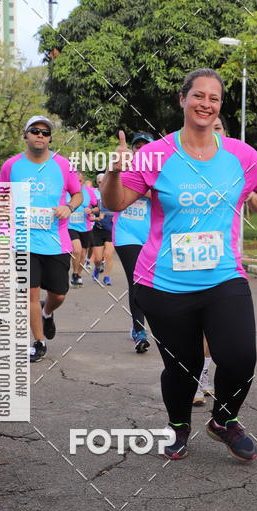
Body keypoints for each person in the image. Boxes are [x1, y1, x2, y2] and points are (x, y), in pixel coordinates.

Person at [102, 68, 257, 462]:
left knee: (241, 357)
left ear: (219, 106)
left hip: (223, 276)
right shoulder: (156, 154)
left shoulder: (239, 154)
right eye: (198, 96)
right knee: (184, 366)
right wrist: (112, 171)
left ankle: (224, 420)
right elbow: (116, 203)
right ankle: (179, 428)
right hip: (163, 283)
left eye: (213, 98)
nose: (205, 104)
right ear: (183, 100)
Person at [193, 115, 257, 405]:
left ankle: (204, 376)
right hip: (187, 257)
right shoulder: (189, 164)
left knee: (221, 331)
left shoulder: (238, 164)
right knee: (193, 327)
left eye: (219, 127)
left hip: (226, 261)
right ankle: (196, 374)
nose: (212, 131)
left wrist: (247, 192)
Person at [0, 116, 82, 362]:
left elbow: (77, 194)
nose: (40, 135)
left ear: (49, 139)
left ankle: (48, 312)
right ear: (25, 135)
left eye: (45, 133)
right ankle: (38, 342)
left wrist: (68, 207)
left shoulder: (62, 165)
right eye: (35, 131)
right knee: (30, 293)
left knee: (59, 294)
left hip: (55, 241)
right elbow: (2, 198)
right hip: (23, 242)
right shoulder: (11, 166)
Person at [112, 133, 153, 353]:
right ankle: (139, 331)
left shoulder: (160, 173)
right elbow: (110, 195)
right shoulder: (123, 169)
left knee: (151, 284)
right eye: (137, 146)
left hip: (152, 236)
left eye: (146, 147)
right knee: (136, 280)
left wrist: (145, 191)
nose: (141, 150)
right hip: (126, 235)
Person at [68, 170, 98, 287]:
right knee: (77, 250)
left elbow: (97, 208)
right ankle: (75, 274)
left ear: (83, 181)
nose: (77, 183)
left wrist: (91, 210)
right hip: (70, 227)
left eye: (80, 181)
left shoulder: (88, 192)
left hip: (85, 228)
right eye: (75, 181)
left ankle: (77, 274)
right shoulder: (65, 191)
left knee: (83, 254)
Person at [90, 173, 115, 286]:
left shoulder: (115, 196)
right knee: (98, 259)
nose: (102, 184)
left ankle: (107, 277)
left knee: (109, 254)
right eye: (100, 182)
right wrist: (96, 216)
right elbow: (90, 217)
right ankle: (96, 268)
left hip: (111, 231)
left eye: (104, 182)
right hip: (98, 230)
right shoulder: (96, 199)